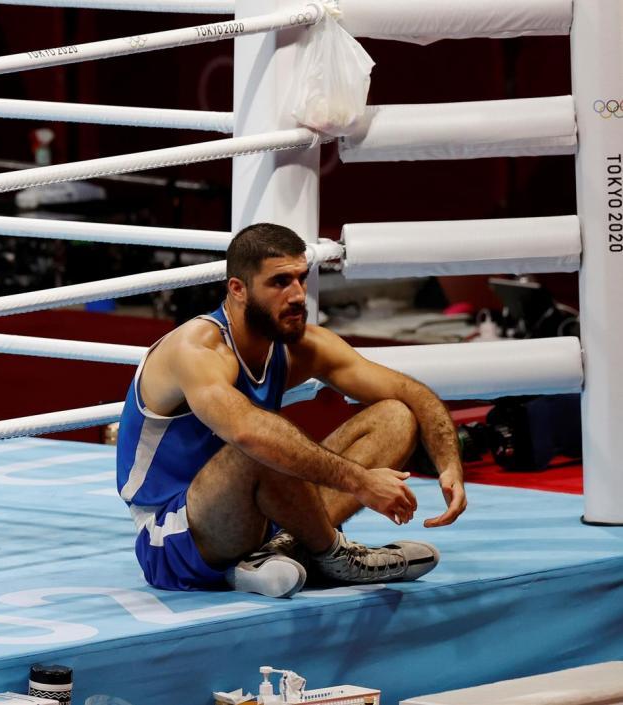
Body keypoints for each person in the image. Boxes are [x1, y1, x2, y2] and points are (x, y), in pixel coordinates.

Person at [115, 223, 468, 597]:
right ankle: (334, 556)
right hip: (174, 536)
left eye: (301, 278)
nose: (298, 295)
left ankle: (281, 552)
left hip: (257, 517)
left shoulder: (299, 345)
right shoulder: (196, 349)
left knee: (394, 416)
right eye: (280, 282)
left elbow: (409, 391)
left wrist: (449, 464)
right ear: (238, 289)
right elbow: (249, 433)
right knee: (260, 439)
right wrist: (361, 482)